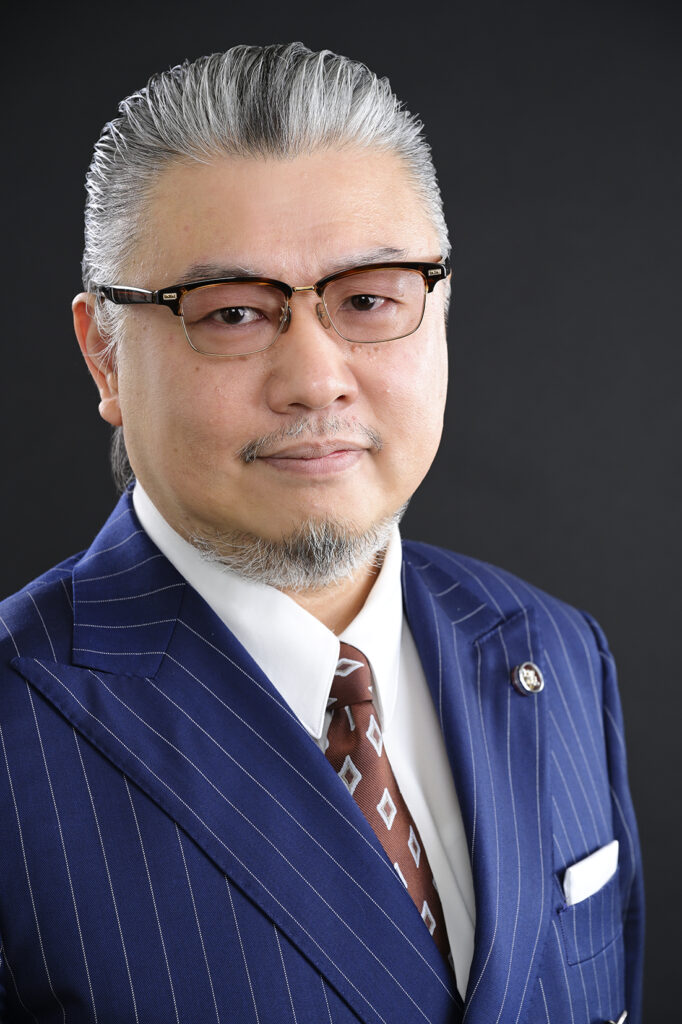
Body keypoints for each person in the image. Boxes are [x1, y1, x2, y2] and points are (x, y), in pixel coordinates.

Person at [0, 43, 643, 1023]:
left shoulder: (557, 650)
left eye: (369, 299)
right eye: (231, 313)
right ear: (105, 358)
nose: (315, 379)